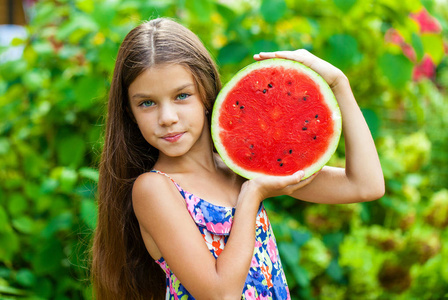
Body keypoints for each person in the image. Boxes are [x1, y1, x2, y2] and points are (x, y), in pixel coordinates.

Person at [91, 17, 384, 300]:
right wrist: (252, 195)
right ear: (130, 112)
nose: (167, 118)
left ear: (206, 93)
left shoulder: (240, 169)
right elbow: (220, 293)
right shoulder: (155, 189)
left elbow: (365, 185)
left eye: (182, 96)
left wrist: (339, 85)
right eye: (147, 103)